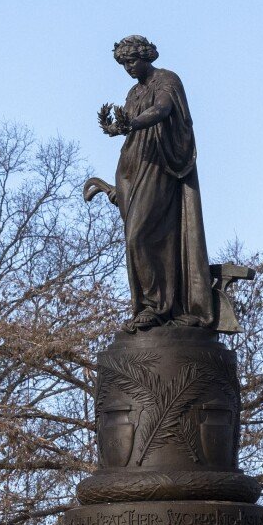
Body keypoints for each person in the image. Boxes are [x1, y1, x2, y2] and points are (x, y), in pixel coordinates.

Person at [90, 35, 214, 332]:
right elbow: (129, 123)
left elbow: (161, 110)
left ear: (146, 56)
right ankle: (147, 307)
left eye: (132, 60)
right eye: (123, 63)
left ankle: (157, 306)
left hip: (159, 164)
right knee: (134, 237)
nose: (128, 68)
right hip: (131, 163)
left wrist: (131, 123)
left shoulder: (167, 80)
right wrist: (116, 127)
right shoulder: (133, 93)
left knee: (139, 235)